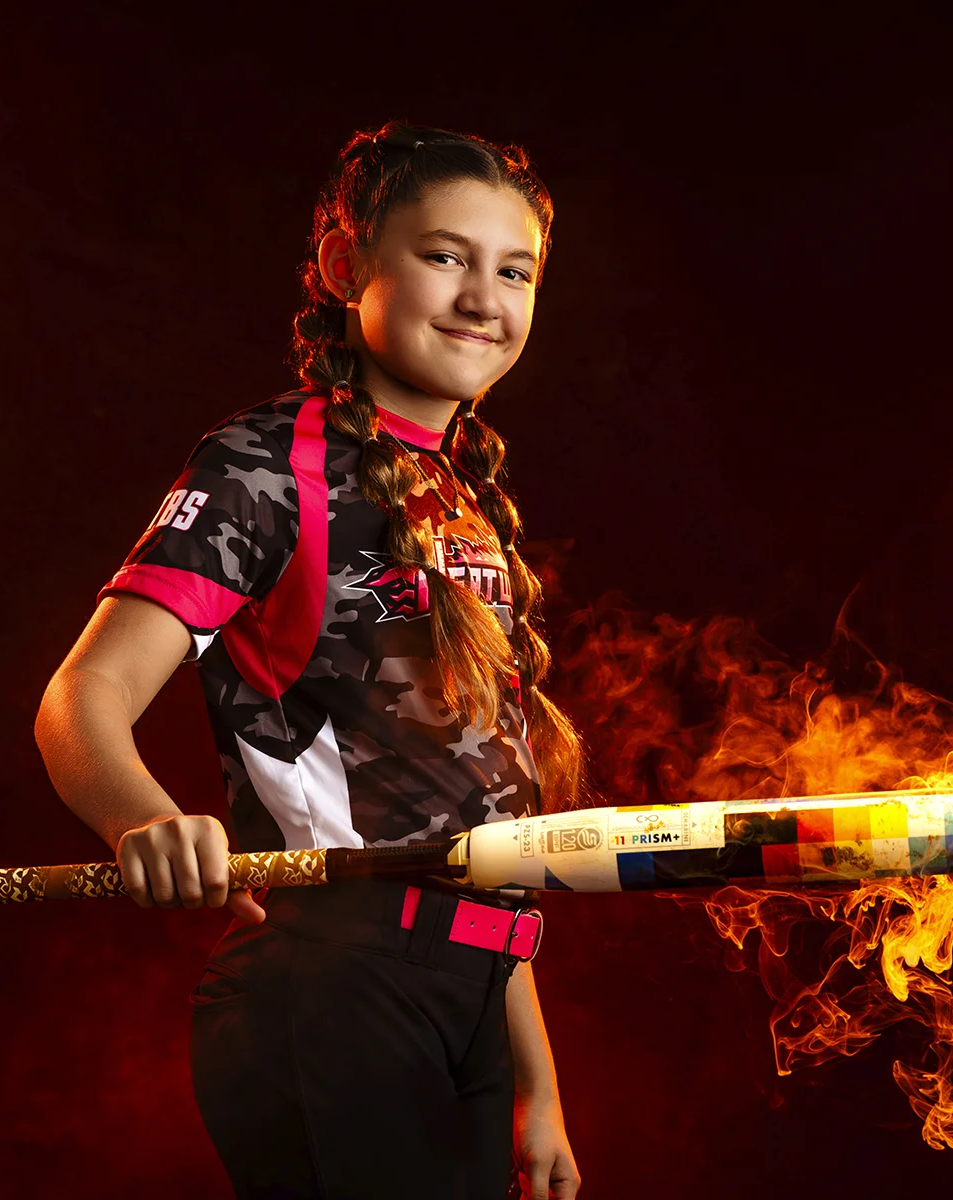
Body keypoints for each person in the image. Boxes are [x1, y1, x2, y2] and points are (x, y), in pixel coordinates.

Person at [33, 122, 584, 1200]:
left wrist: (537, 1084)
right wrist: (139, 818)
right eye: (444, 256)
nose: (484, 297)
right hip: (335, 990)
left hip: (469, 1002)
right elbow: (82, 695)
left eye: (512, 270)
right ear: (346, 267)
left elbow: (475, 836)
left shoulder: (466, 511)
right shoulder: (268, 466)